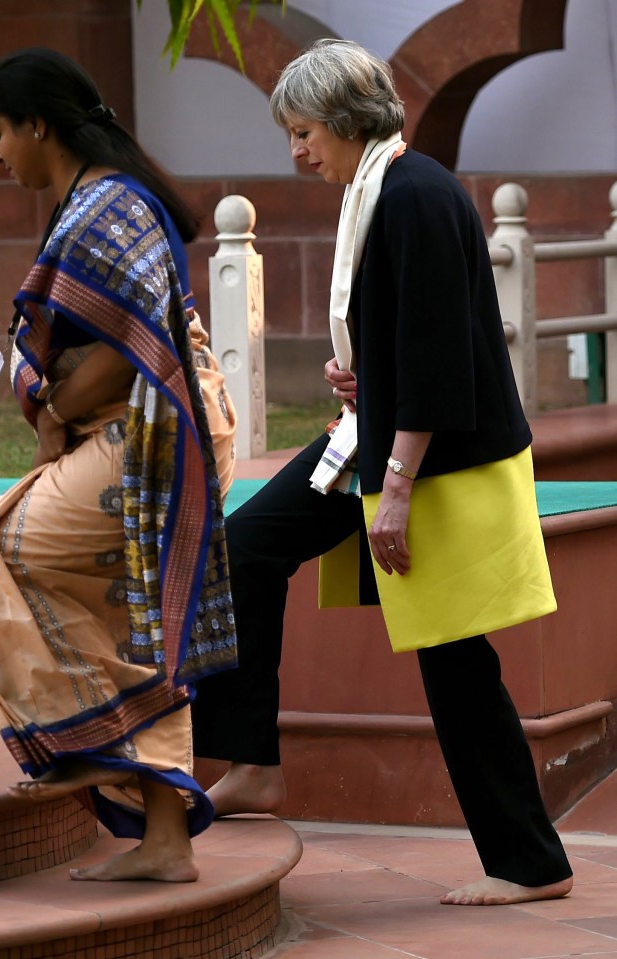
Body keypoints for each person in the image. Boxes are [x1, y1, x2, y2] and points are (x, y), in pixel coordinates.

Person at [192, 38, 574, 906]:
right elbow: (414, 340)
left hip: (433, 462)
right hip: (384, 436)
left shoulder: (413, 197)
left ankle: (531, 863)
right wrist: (367, 377)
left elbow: (441, 361)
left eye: (302, 130)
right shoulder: (384, 193)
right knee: (248, 543)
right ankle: (251, 761)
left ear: (346, 118)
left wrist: (393, 490)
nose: (295, 150)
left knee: (453, 656)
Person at [0, 47, 237, 883]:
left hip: (147, 438)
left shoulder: (109, 204)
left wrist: (60, 406)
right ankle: (164, 838)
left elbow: (129, 345)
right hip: (137, 435)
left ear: (38, 124)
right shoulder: (93, 197)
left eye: (2, 132)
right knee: (130, 619)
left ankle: (88, 741)